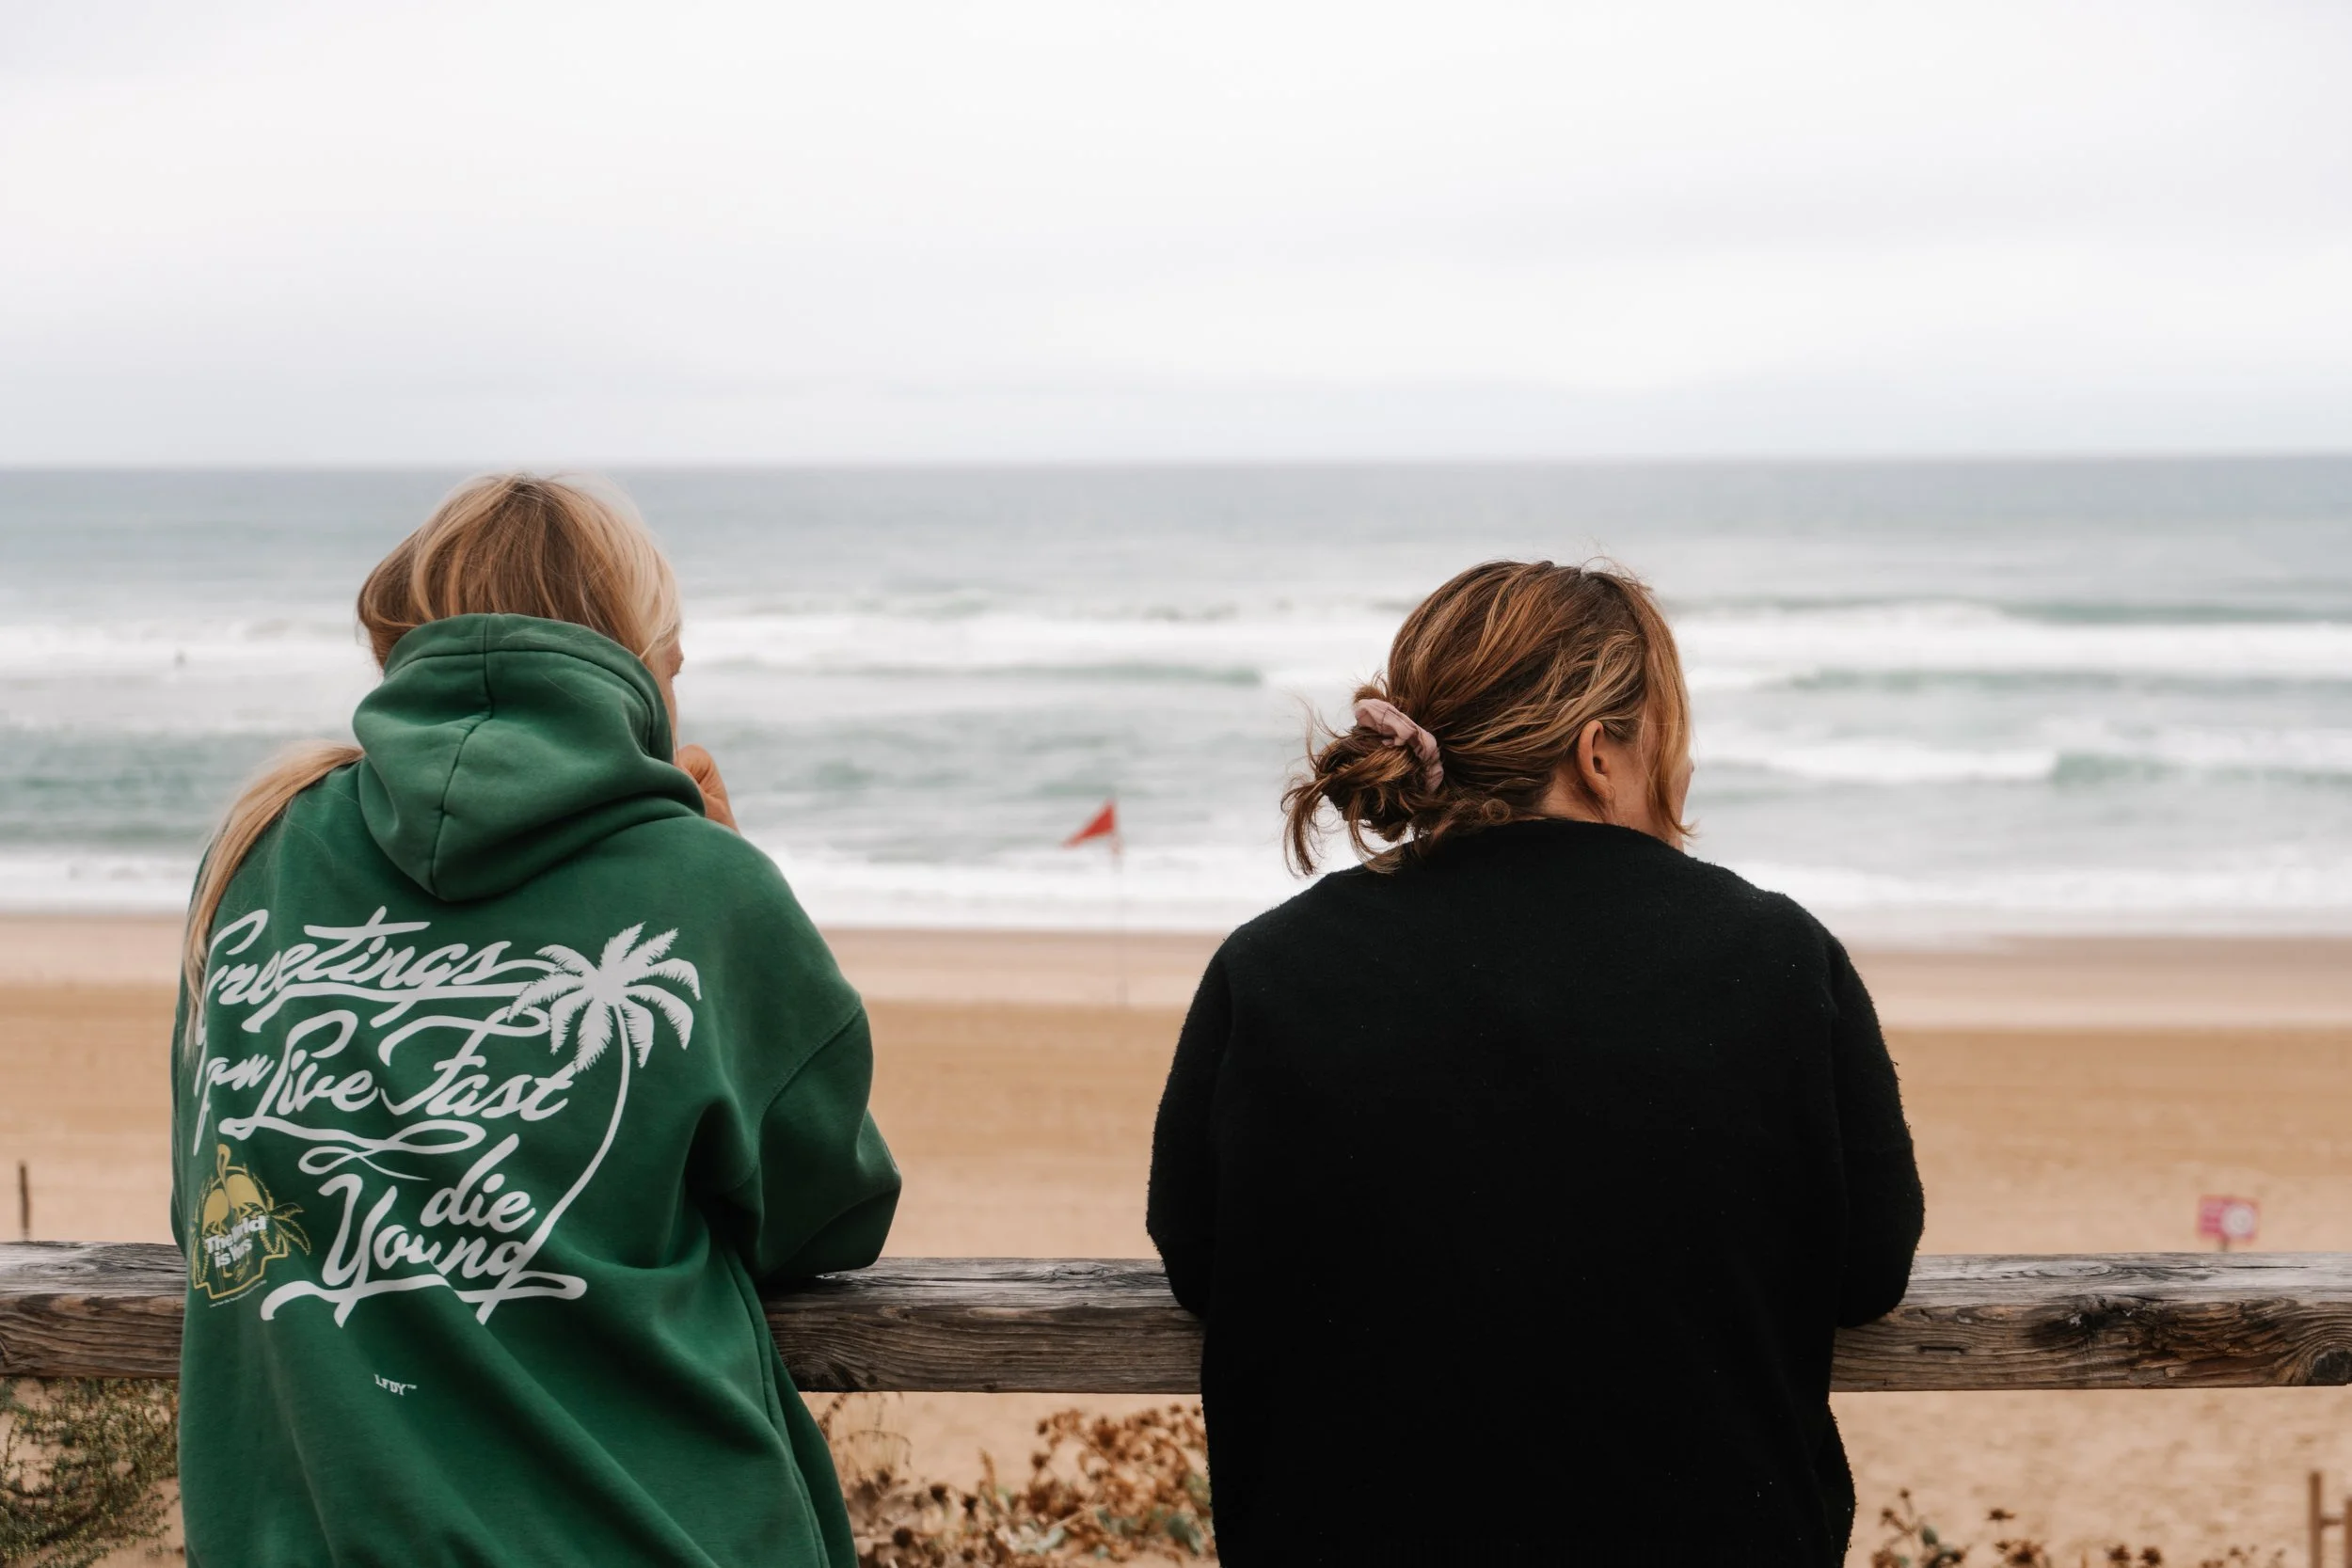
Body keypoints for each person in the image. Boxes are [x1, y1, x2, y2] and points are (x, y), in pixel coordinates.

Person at [170, 474, 899, 1568]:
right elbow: (825, 1216)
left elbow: (212, 1208)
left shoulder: (257, 853)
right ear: (637, 662)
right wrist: (725, 877)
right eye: (675, 658)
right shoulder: (704, 887)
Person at [1147, 560, 1923, 1565]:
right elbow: (1867, 1270)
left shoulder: (1270, 964)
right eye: (1666, 737)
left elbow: (1198, 1256)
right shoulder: (1776, 956)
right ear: (1598, 751)